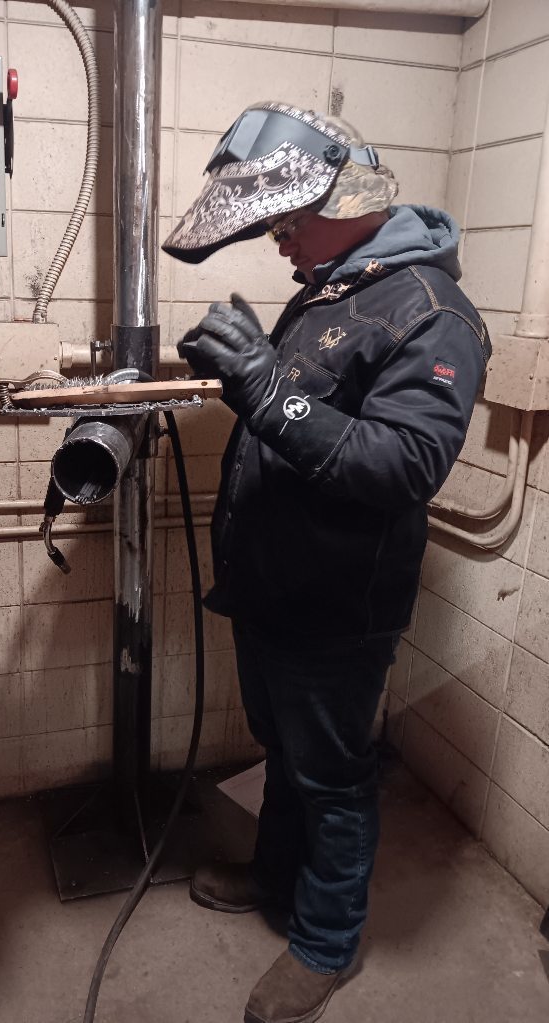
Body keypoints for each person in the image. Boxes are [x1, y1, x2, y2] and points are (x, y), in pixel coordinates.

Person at [162, 102, 490, 1023]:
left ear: (341, 202)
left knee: (332, 778)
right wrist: (250, 370)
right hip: (276, 583)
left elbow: (404, 463)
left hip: (338, 605)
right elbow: (309, 417)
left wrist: (264, 387)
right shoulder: (335, 286)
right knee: (285, 753)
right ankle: (275, 878)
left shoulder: (431, 312)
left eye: (284, 224)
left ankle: (325, 943)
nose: (278, 244)